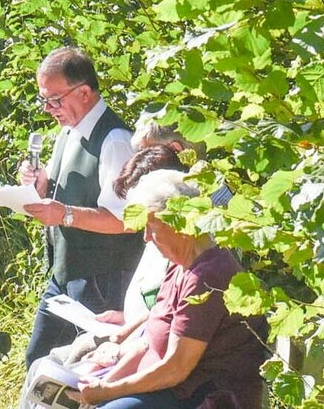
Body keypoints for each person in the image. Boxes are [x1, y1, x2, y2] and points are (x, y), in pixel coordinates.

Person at [72, 172, 267, 409]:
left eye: (151, 227)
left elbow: (176, 368)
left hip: (208, 395)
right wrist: (103, 387)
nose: (145, 237)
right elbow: (149, 340)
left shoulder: (209, 275)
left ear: (180, 225)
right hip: (175, 388)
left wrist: (108, 392)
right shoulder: (180, 266)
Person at [18, 146, 190, 409]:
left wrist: (117, 348)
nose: (141, 231)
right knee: (43, 364)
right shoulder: (158, 240)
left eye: (142, 213)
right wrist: (123, 321)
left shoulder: (181, 251)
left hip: (143, 350)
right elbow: (159, 309)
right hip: (127, 334)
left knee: (62, 379)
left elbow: (165, 330)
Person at [19, 47, 144, 366]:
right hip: (65, 273)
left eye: (55, 99)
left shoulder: (115, 140)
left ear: (85, 92)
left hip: (102, 280)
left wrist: (63, 214)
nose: (48, 109)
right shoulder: (68, 131)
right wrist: (41, 183)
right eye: (44, 99)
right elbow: (71, 191)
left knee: (90, 367)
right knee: (39, 360)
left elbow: (126, 220)